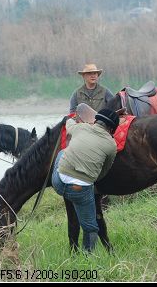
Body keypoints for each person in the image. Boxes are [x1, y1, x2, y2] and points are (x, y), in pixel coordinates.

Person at [51, 108, 120, 253]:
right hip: (79, 190)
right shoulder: (111, 145)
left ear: (95, 121)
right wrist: (91, 181)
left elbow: (69, 125)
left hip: (58, 182)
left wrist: (69, 119)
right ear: (112, 129)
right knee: (91, 227)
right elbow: (104, 170)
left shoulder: (81, 128)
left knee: (63, 152)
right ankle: (88, 257)